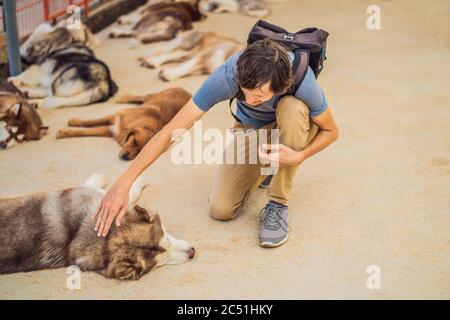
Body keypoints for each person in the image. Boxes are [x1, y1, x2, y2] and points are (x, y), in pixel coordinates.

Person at [94, 38, 339, 248]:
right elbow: (171, 130)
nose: (251, 99)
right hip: (251, 129)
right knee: (221, 209)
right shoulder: (228, 74)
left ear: (281, 85)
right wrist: (124, 182)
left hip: (292, 126)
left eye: (260, 95)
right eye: (245, 92)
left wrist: (299, 156)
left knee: (293, 109)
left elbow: (331, 131)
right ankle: (265, 167)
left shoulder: (302, 81)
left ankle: (277, 203)